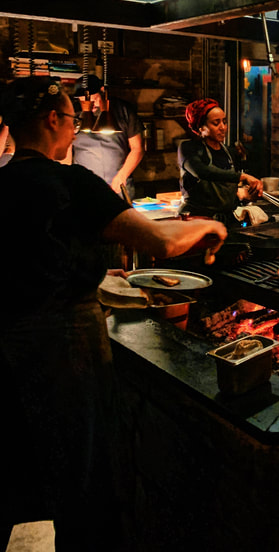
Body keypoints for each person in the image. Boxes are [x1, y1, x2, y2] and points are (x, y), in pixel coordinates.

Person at [0, 77, 227, 552]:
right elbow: (160, 242)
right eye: (72, 119)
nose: (76, 129)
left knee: (21, 461)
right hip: (65, 344)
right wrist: (209, 226)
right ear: (53, 120)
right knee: (83, 472)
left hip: (9, 340)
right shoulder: (71, 181)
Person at [178, 97, 263, 223]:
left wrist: (246, 194)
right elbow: (203, 172)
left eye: (224, 122)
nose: (223, 127)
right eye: (216, 123)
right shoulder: (188, 149)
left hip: (225, 220)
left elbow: (226, 187)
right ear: (201, 127)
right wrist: (243, 177)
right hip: (197, 220)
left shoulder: (229, 152)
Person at [71, 74, 144, 197]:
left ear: (103, 91)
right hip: (85, 185)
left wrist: (122, 176)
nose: (90, 105)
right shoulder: (74, 114)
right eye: (84, 102)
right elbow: (66, 152)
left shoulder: (123, 110)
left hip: (118, 185)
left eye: (93, 100)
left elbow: (137, 148)